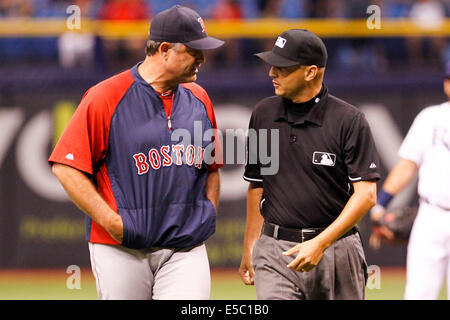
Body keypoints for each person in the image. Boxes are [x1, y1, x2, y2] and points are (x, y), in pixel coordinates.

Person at [49, 5, 224, 300]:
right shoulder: (106, 96)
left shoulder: (199, 98)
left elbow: (212, 167)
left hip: (185, 246)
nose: (202, 59)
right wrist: (111, 222)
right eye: (195, 51)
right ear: (165, 49)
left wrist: (207, 213)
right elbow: (66, 167)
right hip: (122, 249)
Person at [239, 29, 381, 300]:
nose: (272, 73)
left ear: (310, 72)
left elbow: (367, 195)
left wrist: (320, 243)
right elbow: (258, 184)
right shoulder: (264, 114)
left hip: (336, 249)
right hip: (275, 249)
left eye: (282, 67)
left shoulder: (348, 120)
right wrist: (250, 246)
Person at [370, 63, 450, 300]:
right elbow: (407, 165)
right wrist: (381, 204)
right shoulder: (431, 118)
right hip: (431, 214)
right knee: (418, 295)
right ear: (446, 84)